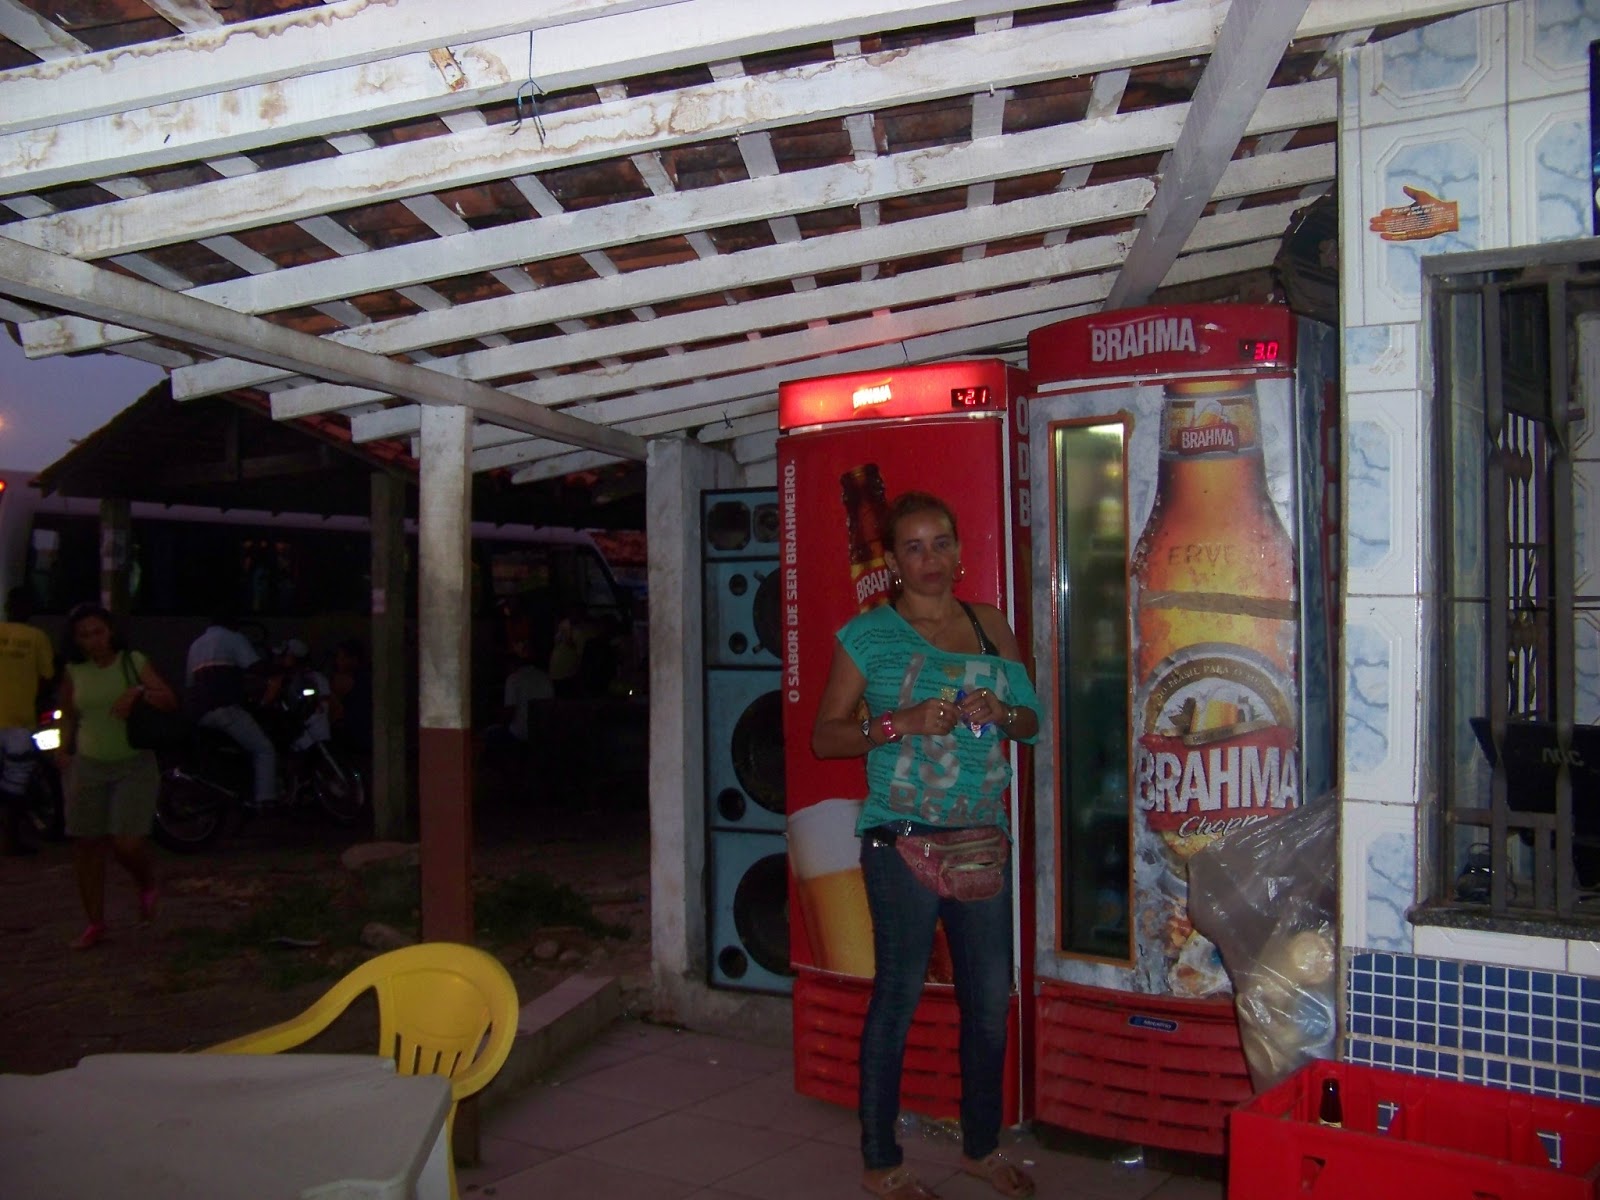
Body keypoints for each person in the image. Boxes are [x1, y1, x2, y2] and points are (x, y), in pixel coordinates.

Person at [811, 491, 1041, 1200]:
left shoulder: (990, 625)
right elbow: (825, 737)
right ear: (893, 561)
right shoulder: (868, 636)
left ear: (960, 550)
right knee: (898, 1001)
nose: (931, 559)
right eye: (913, 547)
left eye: (941, 543)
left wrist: (1002, 711)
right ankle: (881, 1161)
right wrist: (897, 723)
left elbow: (1031, 722)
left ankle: (981, 1147)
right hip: (900, 842)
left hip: (981, 841)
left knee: (988, 1005)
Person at [58, 602, 180, 950]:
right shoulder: (75, 671)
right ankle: (95, 922)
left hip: (133, 763)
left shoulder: (133, 662)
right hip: (88, 763)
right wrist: (62, 750)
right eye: (84, 635)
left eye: (98, 632)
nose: (93, 640)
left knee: (127, 843)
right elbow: (68, 712)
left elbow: (169, 699)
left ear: (110, 631)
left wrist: (138, 692)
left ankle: (146, 883)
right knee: (86, 844)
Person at [184, 614, 276, 808]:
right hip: (225, 708)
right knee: (264, 749)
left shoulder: (196, 645)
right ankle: (266, 801)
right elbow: (255, 666)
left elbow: (190, 683)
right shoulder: (233, 638)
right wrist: (280, 668)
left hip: (200, 714)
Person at [0, 587, 55, 855]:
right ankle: (10, 840)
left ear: (7, 608)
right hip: (19, 721)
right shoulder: (36, 638)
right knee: (15, 783)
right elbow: (48, 676)